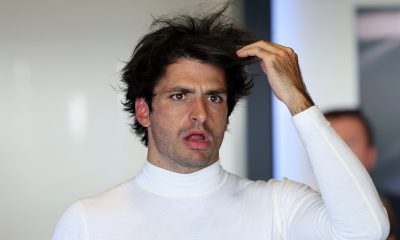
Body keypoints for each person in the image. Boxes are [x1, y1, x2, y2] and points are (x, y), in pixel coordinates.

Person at [52, 5, 390, 240]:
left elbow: (366, 230)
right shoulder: (89, 219)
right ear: (144, 111)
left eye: (214, 97)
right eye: (179, 95)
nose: (200, 113)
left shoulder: (276, 205)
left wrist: (298, 100)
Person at [324, 109, 398, 240]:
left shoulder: (396, 210)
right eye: (329, 143)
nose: (338, 152)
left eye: (349, 144)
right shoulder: (289, 213)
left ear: (371, 155)